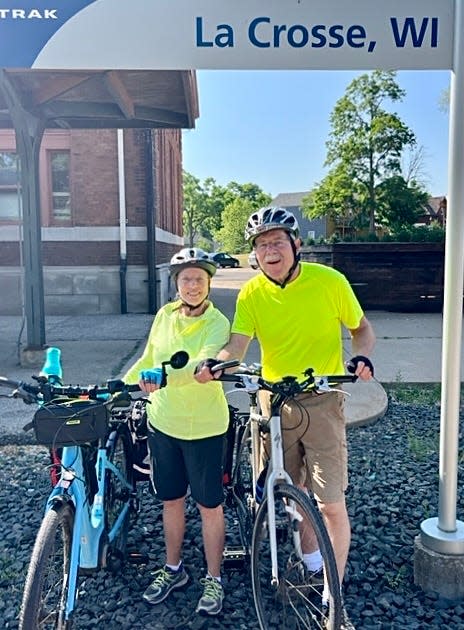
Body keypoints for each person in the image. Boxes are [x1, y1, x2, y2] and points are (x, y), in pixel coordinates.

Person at [195, 207, 376, 629]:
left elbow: (361, 328)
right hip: (272, 402)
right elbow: (236, 345)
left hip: (322, 401)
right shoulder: (252, 293)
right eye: (261, 245)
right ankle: (308, 552)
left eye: (277, 242)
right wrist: (216, 364)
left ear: (296, 244)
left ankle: (333, 601)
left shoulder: (329, 282)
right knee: (282, 492)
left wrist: (363, 355)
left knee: (331, 503)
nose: (269, 250)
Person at [123, 247, 230, 617]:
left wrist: (166, 375)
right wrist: (121, 385)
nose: (193, 285)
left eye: (199, 279)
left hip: (204, 427)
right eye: (186, 279)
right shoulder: (165, 315)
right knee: (171, 500)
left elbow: (203, 362)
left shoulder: (217, 323)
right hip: (163, 422)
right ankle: (174, 569)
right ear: (176, 284)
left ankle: (214, 577)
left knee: (209, 506)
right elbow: (149, 357)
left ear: (209, 283)